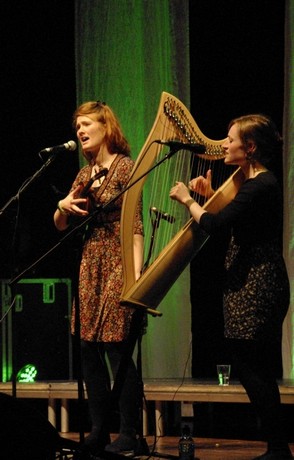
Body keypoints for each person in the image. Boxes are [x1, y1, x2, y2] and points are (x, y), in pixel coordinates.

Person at [170, 114, 292, 460]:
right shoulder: (251, 183)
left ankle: (279, 448)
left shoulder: (261, 185)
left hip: (258, 283)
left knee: (254, 366)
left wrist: (187, 199)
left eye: (229, 139)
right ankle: (277, 447)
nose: (223, 145)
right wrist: (209, 195)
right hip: (249, 281)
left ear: (249, 147)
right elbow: (233, 219)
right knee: (253, 365)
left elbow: (215, 223)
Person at [54, 101, 144, 457]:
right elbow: (60, 224)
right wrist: (62, 206)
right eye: (77, 126)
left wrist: (135, 277)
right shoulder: (84, 172)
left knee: (116, 349)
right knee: (89, 350)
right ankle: (98, 431)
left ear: (106, 127)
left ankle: (130, 433)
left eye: (86, 123)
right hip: (90, 262)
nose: (79, 130)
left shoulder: (124, 167)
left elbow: (135, 225)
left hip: (118, 260)